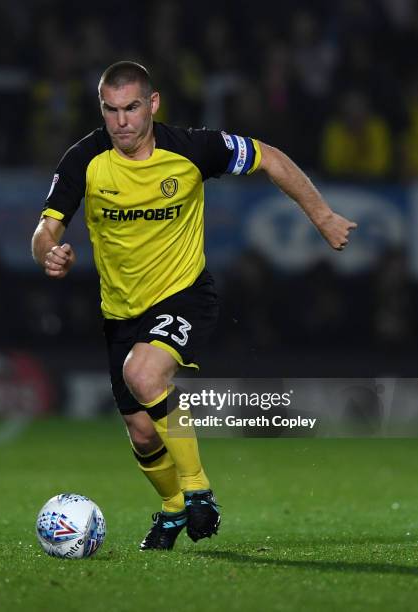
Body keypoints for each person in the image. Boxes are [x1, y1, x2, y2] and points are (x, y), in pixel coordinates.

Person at [31, 60, 357, 551]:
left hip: (185, 294)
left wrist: (322, 214)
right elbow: (46, 227)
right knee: (142, 433)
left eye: (132, 108)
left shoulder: (192, 149)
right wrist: (48, 253)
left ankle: (199, 490)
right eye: (111, 110)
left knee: (145, 376)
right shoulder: (85, 159)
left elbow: (270, 157)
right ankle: (172, 508)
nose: (121, 122)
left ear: (153, 104)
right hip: (120, 311)